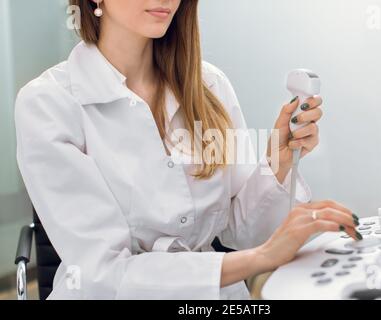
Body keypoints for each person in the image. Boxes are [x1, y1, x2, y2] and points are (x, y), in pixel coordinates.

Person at [14, 0, 361, 300]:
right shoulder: (49, 104)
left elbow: (241, 230)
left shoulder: (209, 85)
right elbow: (107, 274)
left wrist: (279, 160)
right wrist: (261, 259)